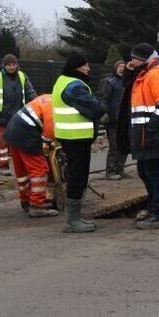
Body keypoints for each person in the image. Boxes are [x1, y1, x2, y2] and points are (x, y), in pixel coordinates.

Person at [51, 52, 107, 233]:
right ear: (77, 67)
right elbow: (94, 107)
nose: (88, 68)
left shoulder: (62, 81)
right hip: (76, 137)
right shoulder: (74, 86)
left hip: (69, 136)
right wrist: (104, 108)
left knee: (76, 174)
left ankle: (75, 217)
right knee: (78, 176)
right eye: (86, 65)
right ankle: (72, 221)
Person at [123, 42, 159, 230]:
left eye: (134, 59)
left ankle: (158, 213)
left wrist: (153, 125)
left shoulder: (157, 75)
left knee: (153, 173)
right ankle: (153, 207)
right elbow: (127, 86)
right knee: (144, 172)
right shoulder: (145, 74)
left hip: (153, 134)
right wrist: (129, 70)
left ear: (143, 59)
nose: (131, 62)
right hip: (145, 134)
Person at [2, 94, 58, 218]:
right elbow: (49, 132)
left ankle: (26, 201)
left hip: (13, 129)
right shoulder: (55, 106)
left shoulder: (48, 97)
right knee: (40, 169)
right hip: (26, 132)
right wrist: (50, 144)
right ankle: (37, 205)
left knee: (22, 171)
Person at [0, 54, 37, 176]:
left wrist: (38, 103)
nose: (11, 67)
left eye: (13, 64)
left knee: (19, 143)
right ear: (4, 65)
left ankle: (21, 167)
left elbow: (30, 93)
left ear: (17, 65)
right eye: (9, 65)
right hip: (0, 116)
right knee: (1, 144)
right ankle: (4, 167)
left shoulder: (22, 76)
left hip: (18, 117)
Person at [97, 60, 127, 180]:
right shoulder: (108, 82)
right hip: (113, 120)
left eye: (124, 67)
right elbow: (103, 98)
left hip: (125, 120)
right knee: (114, 146)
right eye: (119, 67)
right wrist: (104, 113)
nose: (121, 69)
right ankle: (110, 171)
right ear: (115, 68)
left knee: (124, 145)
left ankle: (120, 169)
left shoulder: (127, 82)